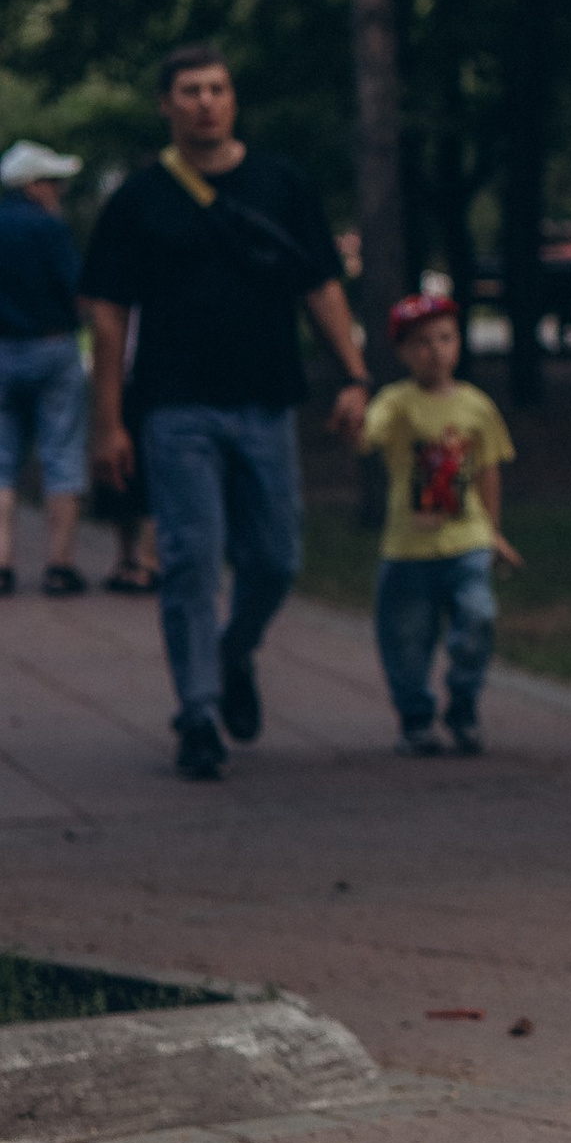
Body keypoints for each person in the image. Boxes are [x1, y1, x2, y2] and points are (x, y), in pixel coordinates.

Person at [81, 46, 371, 782]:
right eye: (190, 91)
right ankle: (198, 714)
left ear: (233, 100)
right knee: (187, 560)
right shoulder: (140, 201)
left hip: (266, 400)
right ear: (166, 105)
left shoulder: (281, 183)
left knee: (275, 560)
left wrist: (356, 375)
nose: (206, 101)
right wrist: (108, 420)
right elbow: (109, 314)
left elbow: (320, 286)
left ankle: (234, 650)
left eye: (217, 89)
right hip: (175, 408)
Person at [362, 289, 521, 757]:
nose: (436, 351)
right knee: (406, 640)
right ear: (402, 352)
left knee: (479, 617)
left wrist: (493, 531)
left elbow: (490, 468)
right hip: (407, 548)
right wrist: (352, 422)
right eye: (422, 343)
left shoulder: (476, 406)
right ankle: (415, 719)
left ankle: (464, 703)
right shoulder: (396, 404)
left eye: (445, 338)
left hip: (466, 541)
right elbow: (368, 435)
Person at [0, 138, 94, 596]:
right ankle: (60, 563)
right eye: (53, 182)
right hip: (52, 348)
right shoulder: (49, 230)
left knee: (2, 460)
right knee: (62, 452)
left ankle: (2, 558)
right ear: (33, 185)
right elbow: (76, 289)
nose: (57, 191)